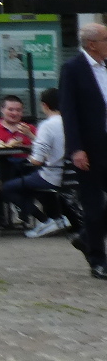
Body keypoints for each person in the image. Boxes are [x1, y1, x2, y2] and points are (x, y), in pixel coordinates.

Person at [58, 21, 107, 280]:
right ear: (92, 44)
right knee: (93, 204)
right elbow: (69, 111)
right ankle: (97, 259)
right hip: (89, 147)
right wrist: (76, 148)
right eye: (105, 39)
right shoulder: (73, 69)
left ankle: (86, 237)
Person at [1, 89, 67, 238]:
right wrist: (31, 136)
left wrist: (28, 159)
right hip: (70, 175)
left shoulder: (47, 125)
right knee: (32, 181)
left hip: (52, 176)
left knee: (8, 188)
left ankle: (45, 221)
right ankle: (57, 217)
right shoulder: (71, 123)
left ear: (44, 105)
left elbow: (37, 160)